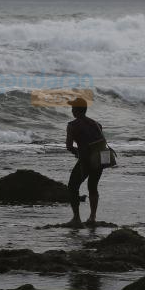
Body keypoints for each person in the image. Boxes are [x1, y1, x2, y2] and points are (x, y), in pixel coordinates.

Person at [65, 97, 104, 226]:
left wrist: (77, 153)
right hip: (99, 159)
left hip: (86, 161)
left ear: (76, 110)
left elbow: (69, 146)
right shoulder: (97, 124)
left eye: (72, 108)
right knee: (93, 187)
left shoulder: (72, 125)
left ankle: (76, 218)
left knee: (72, 187)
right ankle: (92, 217)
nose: (71, 110)